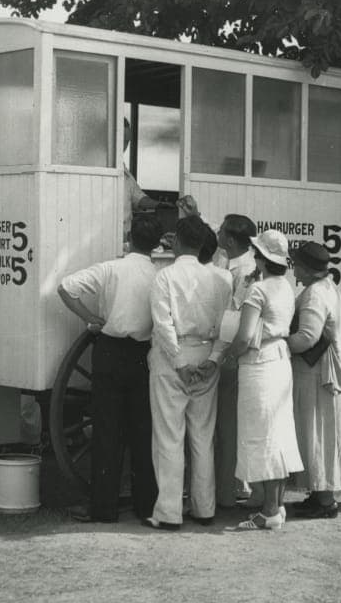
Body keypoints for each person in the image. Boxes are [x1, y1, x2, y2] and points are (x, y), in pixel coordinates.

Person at [57, 217, 162, 524]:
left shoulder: (110, 268)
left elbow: (65, 288)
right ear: (156, 245)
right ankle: (146, 506)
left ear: (129, 237)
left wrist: (91, 318)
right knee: (144, 432)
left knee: (106, 432)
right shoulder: (158, 276)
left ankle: (103, 509)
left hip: (109, 351)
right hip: (143, 354)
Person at [143, 215, 232, 530]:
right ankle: (204, 508)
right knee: (203, 437)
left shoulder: (164, 277)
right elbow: (228, 324)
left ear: (177, 241)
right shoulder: (223, 278)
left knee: (169, 436)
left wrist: (179, 363)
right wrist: (215, 358)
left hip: (173, 357)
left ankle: (168, 512)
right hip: (207, 353)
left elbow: (162, 324)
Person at [228, 229, 304, 532]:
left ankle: (270, 509)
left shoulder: (257, 291)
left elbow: (244, 336)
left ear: (261, 259)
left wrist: (227, 355)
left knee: (263, 433)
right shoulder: (285, 287)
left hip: (259, 363)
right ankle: (276, 505)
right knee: (278, 432)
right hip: (280, 360)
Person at [287, 242, 341, 519]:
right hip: (327, 371)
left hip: (318, 373)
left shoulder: (315, 294)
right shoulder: (328, 288)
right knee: (322, 431)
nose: (294, 268)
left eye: (297, 264)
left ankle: (325, 498)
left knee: (317, 431)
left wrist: (281, 345)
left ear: (305, 268)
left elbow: (308, 336)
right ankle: (319, 492)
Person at [212, 214, 258, 508]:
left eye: (220, 230)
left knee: (230, 424)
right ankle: (235, 483)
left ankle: (230, 488)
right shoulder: (231, 262)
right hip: (230, 349)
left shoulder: (246, 272)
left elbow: (236, 316)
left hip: (235, 352)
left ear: (229, 240)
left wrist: (224, 355)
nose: (217, 233)